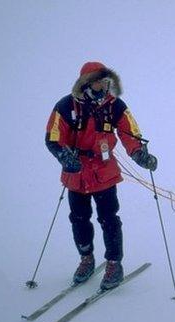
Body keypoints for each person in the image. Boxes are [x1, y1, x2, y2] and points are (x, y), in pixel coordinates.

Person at [45, 61, 157, 290]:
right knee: (78, 219)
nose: (102, 84)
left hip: (105, 172)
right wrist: (64, 157)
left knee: (109, 219)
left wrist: (139, 154)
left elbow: (130, 132)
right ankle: (86, 258)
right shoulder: (65, 106)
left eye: (105, 80)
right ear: (86, 82)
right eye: (98, 79)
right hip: (76, 173)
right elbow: (53, 136)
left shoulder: (115, 105)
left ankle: (114, 263)